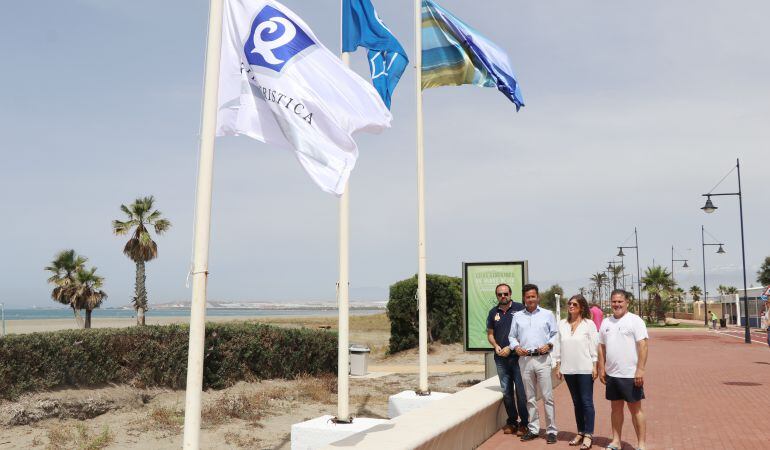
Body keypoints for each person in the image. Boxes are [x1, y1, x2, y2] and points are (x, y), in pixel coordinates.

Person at [508, 284, 558, 444]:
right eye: (528, 297)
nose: (531, 299)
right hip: (525, 360)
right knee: (529, 398)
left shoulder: (547, 314)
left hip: (542, 359)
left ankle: (551, 430)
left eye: (533, 296)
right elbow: (511, 336)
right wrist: (516, 347)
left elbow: (555, 333)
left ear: (538, 297)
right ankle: (534, 429)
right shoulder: (517, 316)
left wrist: (549, 345)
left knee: (547, 397)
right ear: (524, 298)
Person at [598, 289, 649, 450]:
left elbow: (643, 346)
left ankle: (641, 445)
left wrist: (640, 370)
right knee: (615, 409)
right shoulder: (606, 322)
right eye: (614, 301)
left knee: (636, 410)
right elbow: (601, 346)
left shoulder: (635, 321)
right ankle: (616, 442)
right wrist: (601, 367)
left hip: (631, 375)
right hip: (612, 374)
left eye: (620, 301)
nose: (617, 304)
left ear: (627, 302)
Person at [554, 294, 598, 449]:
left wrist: (595, 365)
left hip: (585, 368)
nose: (571, 306)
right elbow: (558, 345)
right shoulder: (562, 324)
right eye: (569, 304)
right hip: (568, 369)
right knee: (576, 402)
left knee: (586, 402)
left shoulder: (589, 324)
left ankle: (588, 434)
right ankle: (580, 432)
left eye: (574, 304)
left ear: (582, 307)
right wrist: (558, 365)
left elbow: (594, 346)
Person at [486, 283, 528, 436]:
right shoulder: (493, 312)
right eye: (499, 294)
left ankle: (525, 423)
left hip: (518, 358)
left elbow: (524, 333)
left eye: (505, 293)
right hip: (500, 359)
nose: (503, 296)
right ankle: (512, 421)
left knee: (522, 393)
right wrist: (496, 346)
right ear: (497, 296)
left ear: (510, 293)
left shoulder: (520, 309)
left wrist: (510, 347)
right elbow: (490, 334)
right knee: (507, 392)